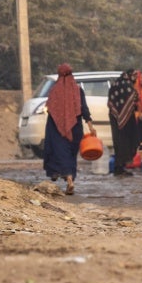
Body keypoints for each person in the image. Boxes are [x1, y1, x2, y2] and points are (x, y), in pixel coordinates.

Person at [42, 63, 94, 195]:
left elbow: (50, 109)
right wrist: (90, 125)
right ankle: (70, 179)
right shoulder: (77, 90)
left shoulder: (54, 91)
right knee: (71, 155)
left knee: (61, 153)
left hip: (57, 128)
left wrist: (60, 118)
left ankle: (68, 178)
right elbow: (84, 109)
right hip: (75, 127)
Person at [108, 69, 142, 176]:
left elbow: (110, 102)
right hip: (127, 121)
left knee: (118, 143)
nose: (136, 78)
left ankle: (119, 168)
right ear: (130, 76)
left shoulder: (115, 84)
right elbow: (134, 98)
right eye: (134, 76)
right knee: (127, 142)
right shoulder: (127, 86)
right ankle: (120, 168)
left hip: (115, 118)